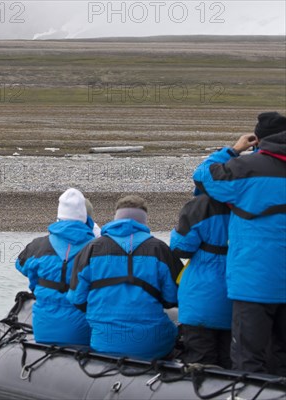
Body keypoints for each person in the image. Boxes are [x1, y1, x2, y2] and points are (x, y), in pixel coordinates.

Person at [192, 112, 286, 375]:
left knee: (248, 361)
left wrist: (232, 150)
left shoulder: (244, 169)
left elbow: (202, 177)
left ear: (257, 140)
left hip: (253, 283)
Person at [67, 195, 182, 360]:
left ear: (116, 218)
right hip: (152, 345)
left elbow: (77, 298)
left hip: (104, 342)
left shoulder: (91, 249)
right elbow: (172, 298)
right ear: (144, 220)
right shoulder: (160, 249)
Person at [15, 188, 96, 345]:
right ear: (84, 218)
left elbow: (20, 264)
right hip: (82, 333)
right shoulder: (97, 249)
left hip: (43, 330)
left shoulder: (38, 246)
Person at [170, 194, 231, 368]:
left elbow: (180, 247)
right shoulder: (248, 199)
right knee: (234, 363)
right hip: (240, 297)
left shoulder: (200, 205)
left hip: (200, 300)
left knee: (201, 364)